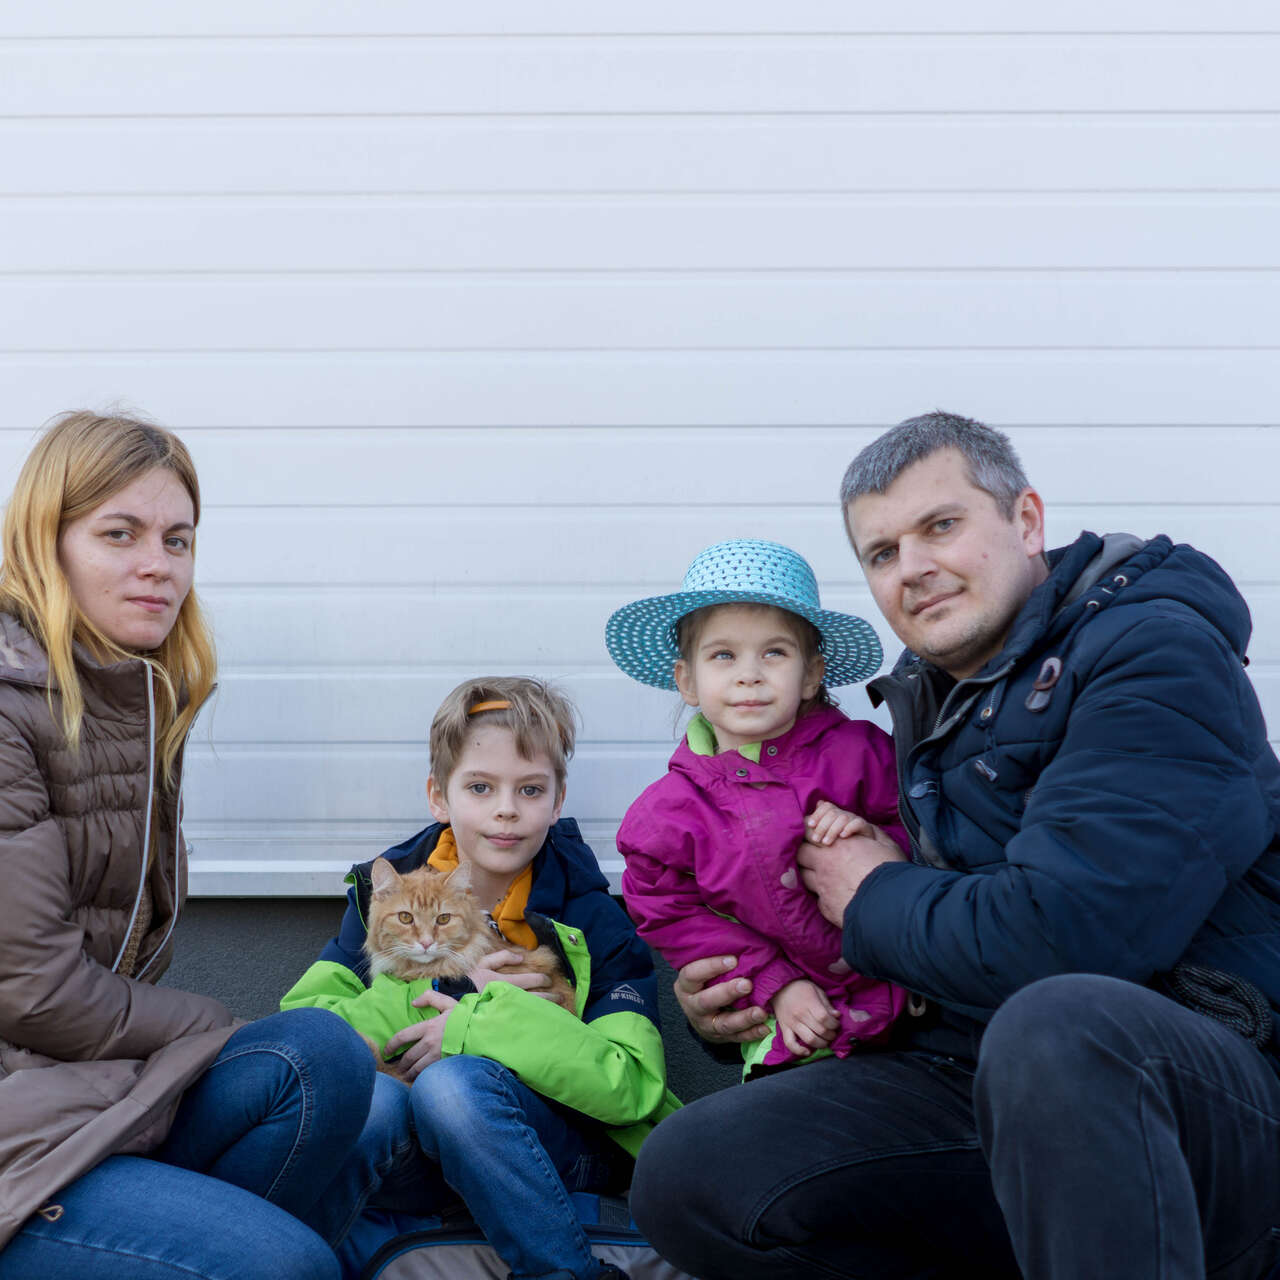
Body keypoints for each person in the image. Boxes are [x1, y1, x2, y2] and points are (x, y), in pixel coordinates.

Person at [630, 412, 1280, 1280]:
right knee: (693, 1172)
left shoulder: (1151, 653)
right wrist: (747, 988)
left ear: (1026, 521)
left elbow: (1064, 936)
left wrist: (870, 893)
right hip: (969, 1074)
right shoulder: (926, 704)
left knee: (1060, 1024)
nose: (915, 567)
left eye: (941, 525)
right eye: (883, 552)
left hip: (1189, 1094)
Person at [0, 411, 380, 1280]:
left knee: (318, 1057)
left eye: (178, 539)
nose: (157, 565)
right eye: (119, 534)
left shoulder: (126, 693)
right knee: (288, 1264)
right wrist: (221, 1028)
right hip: (19, 1123)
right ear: (43, 541)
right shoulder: (9, 706)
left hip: (76, 1093)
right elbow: (35, 994)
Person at [281, 676, 681, 1280]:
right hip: (415, 1155)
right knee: (370, 1102)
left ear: (558, 797)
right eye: (479, 786)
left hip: (554, 1148)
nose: (505, 809)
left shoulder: (593, 919)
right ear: (439, 797)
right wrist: (454, 991)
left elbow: (631, 1087)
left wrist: (482, 1024)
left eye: (529, 789)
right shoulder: (383, 895)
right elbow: (307, 1036)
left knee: (454, 1088)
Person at [607, 538, 910, 1073]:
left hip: (907, 1010)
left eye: (775, 652)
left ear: (811, 675)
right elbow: (671, 915)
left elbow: (931, 832)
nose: (750, 673)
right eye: (723, 655)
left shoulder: (861, 753)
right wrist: (775, 982)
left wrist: (879, 838)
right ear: (688, 680)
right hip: (787, 1036)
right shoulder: (667, 816)